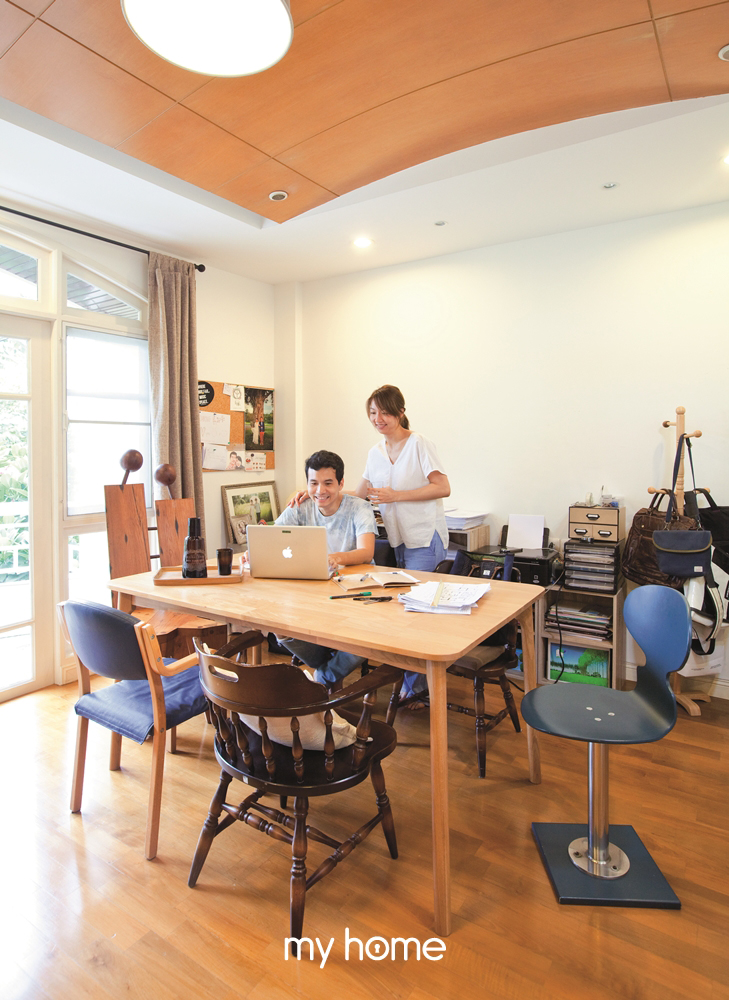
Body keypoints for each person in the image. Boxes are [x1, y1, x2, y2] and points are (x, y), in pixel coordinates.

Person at [355, 384, 450, 705]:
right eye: (372, 413)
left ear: (400, 412)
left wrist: (396, 496)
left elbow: (442, 487)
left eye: (384, 412)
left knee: (416, 612)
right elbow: (359, 494)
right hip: (398, 539)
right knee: (403, 609)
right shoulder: (375, 453)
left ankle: (418, 687)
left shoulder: (419, 444)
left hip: (424, 537)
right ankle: (414, 682)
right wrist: (317, 493)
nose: (378, 418)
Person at [275, 449, 376, 687]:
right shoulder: (301, 506)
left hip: (355, 591)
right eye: (314, 483)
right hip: (312, 589)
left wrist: (336, 558)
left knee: (369, 639)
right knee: (279, 629)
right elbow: (272, 537)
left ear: (341, 483)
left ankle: (324, 677)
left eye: (328, 483)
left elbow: (367, 552)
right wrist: (252, 552)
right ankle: (330, 671)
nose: (320, 490)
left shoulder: (359, 508)